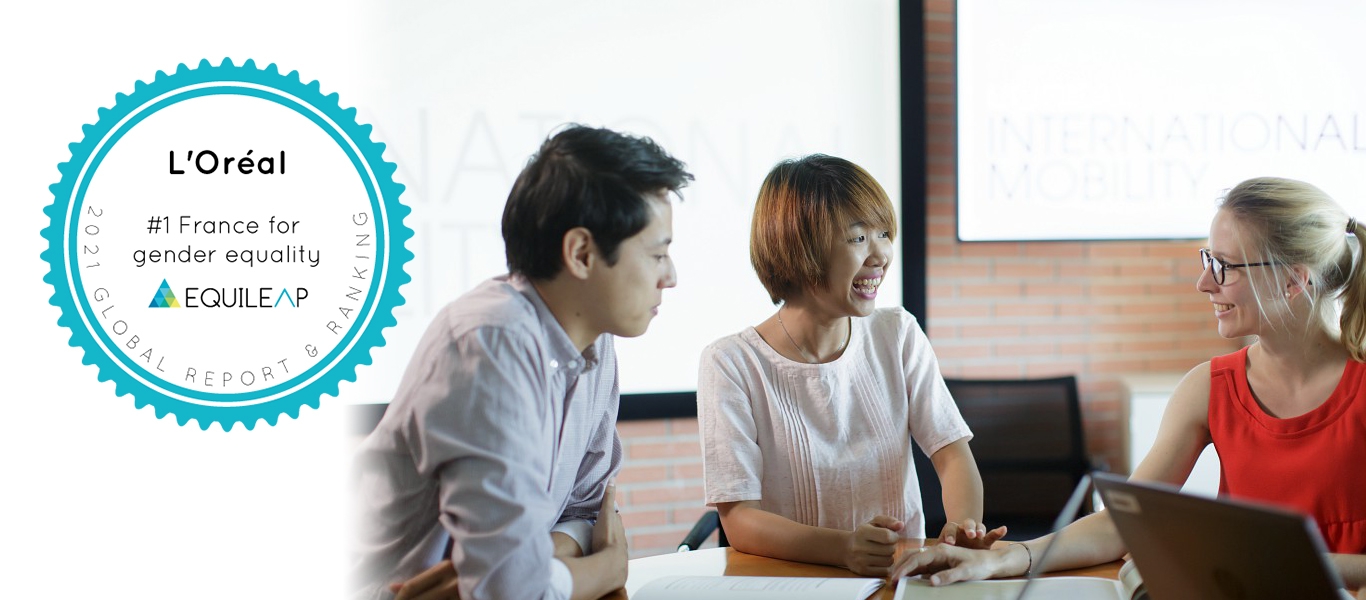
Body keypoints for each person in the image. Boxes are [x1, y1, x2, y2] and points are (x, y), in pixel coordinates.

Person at [890, 176, 1366, 589]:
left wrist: (1280, 566)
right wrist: (1012, 556)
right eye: (1206, 258)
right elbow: (1124, 525)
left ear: (1293, 281)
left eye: (1224, 265)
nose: (1203, 282)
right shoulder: (1209, 389)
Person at [351, 124, 693, 600]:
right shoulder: (491, 343)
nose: (670, 277)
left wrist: (536, 564)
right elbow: (516, 589)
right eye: (658, 254)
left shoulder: (593, 341)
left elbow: (590, 511)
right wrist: (606, 570)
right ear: (581, 253)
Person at [697, 154, 1002, 578]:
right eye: (858, 238)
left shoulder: (896, 333)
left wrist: (963, 528)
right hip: (791, 583)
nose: (881, 254)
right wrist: (842, 549)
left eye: (883, 233)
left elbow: (951, 453)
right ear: (798, 248)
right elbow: (740, 520)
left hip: (897, 577)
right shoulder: (731, 363)